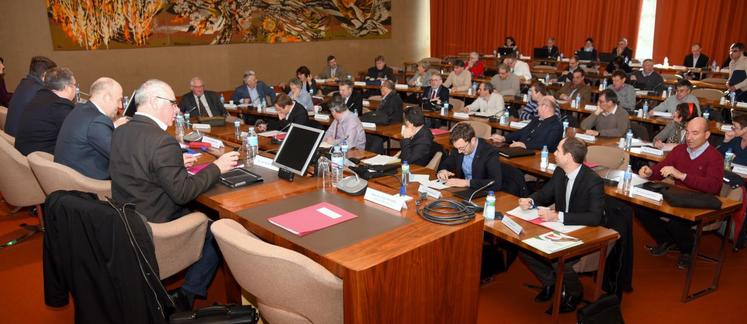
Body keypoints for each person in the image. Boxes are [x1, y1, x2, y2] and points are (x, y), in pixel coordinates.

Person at [110, 79, 239, 311]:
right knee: (220, 228)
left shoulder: (122, 129)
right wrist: (217, 167)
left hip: (128, 216)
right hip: (156, 224)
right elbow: (182, 193)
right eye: (172, 103)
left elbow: (140, 163)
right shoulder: (162, 141)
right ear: (154, 102)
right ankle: (188, 293)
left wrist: (171, 162)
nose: (177, 109)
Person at [518, 137, 604, 313]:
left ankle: (574, 292)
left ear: (569, 156)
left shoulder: (592, 181)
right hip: (561, 226)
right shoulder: (560, 171)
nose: (554, 153)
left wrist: (559, 216)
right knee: (523, 245)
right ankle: (550, 283)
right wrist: (531, 200)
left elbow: (595, 217)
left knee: (559, 260)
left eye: (558, 150)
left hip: (585, 230)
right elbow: (545, 193)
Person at [637, 118, 723, 269]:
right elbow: (662, 169)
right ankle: (666, 240)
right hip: (678, 197)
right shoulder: (679, 150)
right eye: (687, 133)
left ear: (707, 134)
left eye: (695, 133)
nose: (689, 137)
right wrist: (650, 172)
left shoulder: (715, 156)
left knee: (677, 220)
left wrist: (682, 176)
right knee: (640, 208)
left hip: (701, 201)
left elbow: (713, 187)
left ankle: (687, 251)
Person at [54, 77, 128, 180]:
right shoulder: (97, 121)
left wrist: (114, 126)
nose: (120, 106)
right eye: (119, 100)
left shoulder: (80, 109)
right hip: (88, 184)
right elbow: (122, 156)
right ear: (106, 97)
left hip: (69, 175)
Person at [14, 67, 76, 156]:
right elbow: (76, 134)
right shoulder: (60, 106)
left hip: (25, 154)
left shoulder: (40, 96)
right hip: (42, 158)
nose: (75, 88)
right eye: (74, 85)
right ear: (67, 88)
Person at [437, 123, 501, 191]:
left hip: (481, 192)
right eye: (457, 148)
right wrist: (442, 171)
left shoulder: (489, 152)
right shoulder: (459, 147)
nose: (459, 152)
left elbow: (496, 183)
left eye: (462, 148)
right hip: (463, 191)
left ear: (473, 140)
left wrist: (466, 183)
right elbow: (446, 163)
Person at [5, 56, 57, 136]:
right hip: (22, 141)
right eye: (53, 75)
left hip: (11, 137)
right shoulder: (39, 91)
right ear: (45, 75)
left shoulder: (24, 83)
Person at [491, 96, 563, 151]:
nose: (537, 108)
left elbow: (547, 144)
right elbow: (521, 132)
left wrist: (524, 145)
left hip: (537, 155)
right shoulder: (536, 119)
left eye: (538, 105)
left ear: (545, 107)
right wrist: (504, 138)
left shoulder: (556, 125)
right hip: (522, 150)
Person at [361, 81, 402, 153]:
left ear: (386, 88)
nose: (380, 89)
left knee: (374, 137)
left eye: (382, 87)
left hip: (391, 126)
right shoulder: (389, 96)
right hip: (384, 122)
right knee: (366, 134)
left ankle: (372, 156)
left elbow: (386, 115)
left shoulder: (394, 98)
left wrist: (374, 116)